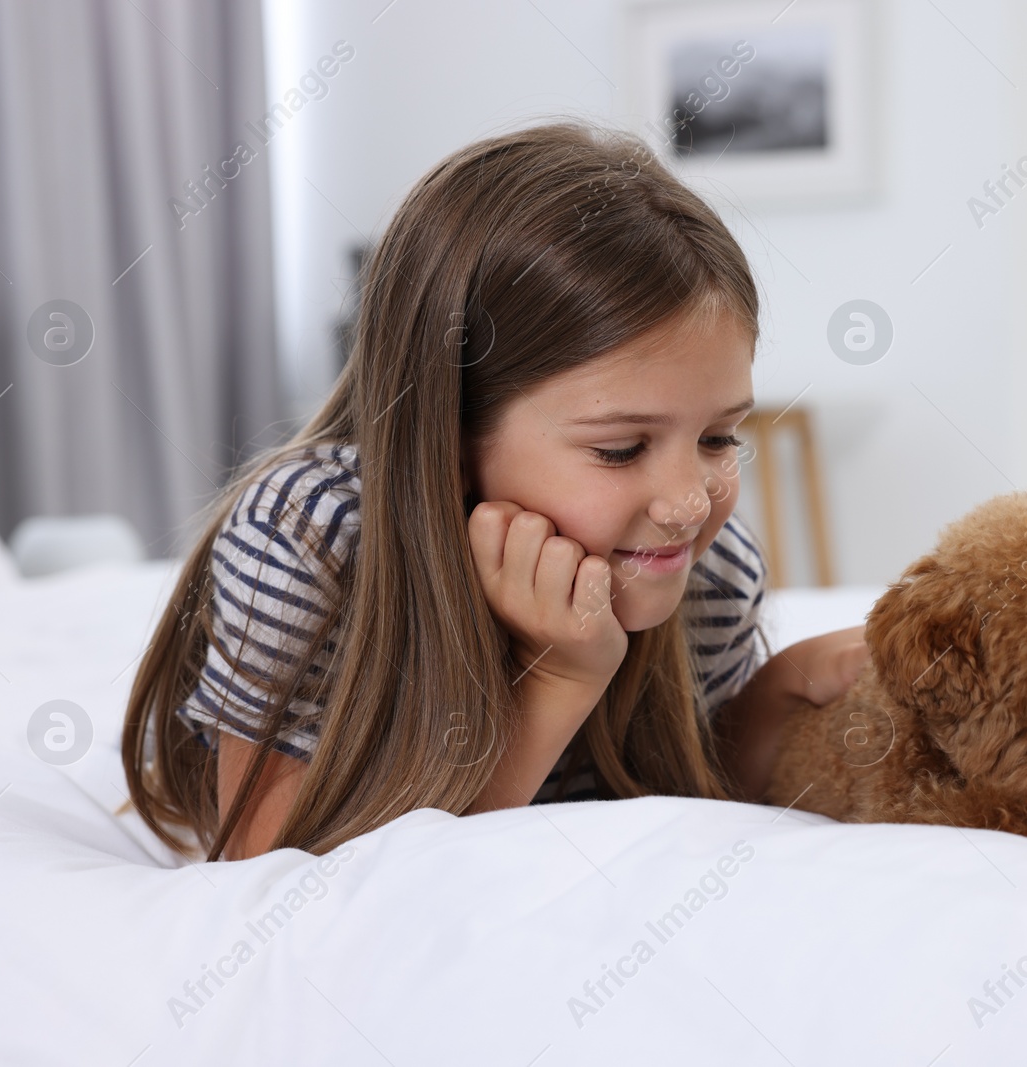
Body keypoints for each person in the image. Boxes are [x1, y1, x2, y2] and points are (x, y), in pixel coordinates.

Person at [121, 121, 867, 861]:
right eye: (620, 449)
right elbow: (275, 879)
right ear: (445, 434)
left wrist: (778, 696)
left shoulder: (710, 568)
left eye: (717, 439)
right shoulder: (310, 535)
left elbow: (679, 797)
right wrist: (559, 678)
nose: (691, 502)